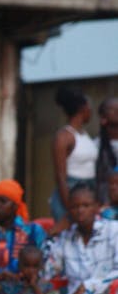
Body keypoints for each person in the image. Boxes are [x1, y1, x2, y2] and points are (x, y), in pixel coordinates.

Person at [50, 85, 96, 223]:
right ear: (84, 109)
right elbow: (60, 176)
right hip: (70, 193)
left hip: (88, 190)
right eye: (90, 109)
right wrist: (70, 207)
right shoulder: (64, 137)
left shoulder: (85, 135)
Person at [95, 97, 118, 205]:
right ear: (103, 119)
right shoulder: (96, 146)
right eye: (112, 109)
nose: (117, 110)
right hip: (105, 204)